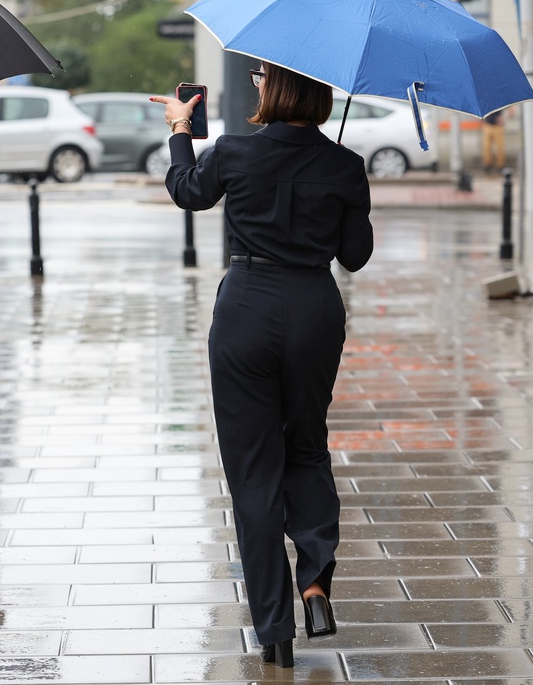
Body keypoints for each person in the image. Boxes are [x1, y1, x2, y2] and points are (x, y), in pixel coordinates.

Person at [150, 62, 372, 668]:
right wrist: (346, 190)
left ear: (275, 89)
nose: (253, 85)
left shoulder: (233, 152)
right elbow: (355, 256)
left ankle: (275, 631)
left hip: (247, 308)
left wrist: (179, 129)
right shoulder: (345, 166)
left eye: (258, 79)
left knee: (252, 471)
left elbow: (187, 191)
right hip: (313, 309)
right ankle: (316, 583)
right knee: (306, 447)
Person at [481, 108, 506, 172]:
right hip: (488, 124)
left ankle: (500, 165)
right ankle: (488, 164)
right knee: (487, 146)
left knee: (499, 147)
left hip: (497, 125)